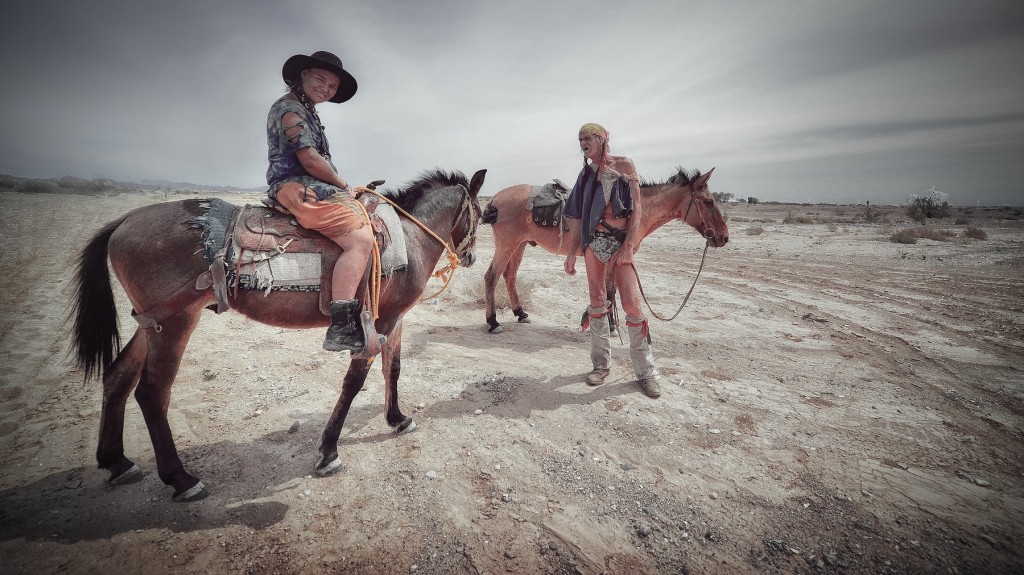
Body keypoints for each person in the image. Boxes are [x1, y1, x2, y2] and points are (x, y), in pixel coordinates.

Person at [265, 51, 378, 354]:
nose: (325, 89)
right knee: (360, 239)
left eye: (331, 87)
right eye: (320, 79)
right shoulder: (290, 108)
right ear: (303, 75)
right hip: (295, 186)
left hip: (310, 183)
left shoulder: (306, 109)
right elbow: (310, 160)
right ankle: (341, 326)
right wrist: (343, 185)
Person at [563, 123, 662, 398]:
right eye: (580, 139)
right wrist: (572, 252)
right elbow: (577, 217)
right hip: (594, 243)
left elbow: (637, 208)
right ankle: (600, 366)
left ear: (602, 139)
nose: (582, 143)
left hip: (620, 243)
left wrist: (629, 247)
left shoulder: (625, 165)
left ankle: (646, 372)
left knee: (631, 303)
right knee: (597, 302)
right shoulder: (586, 174)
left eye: (587, 138)